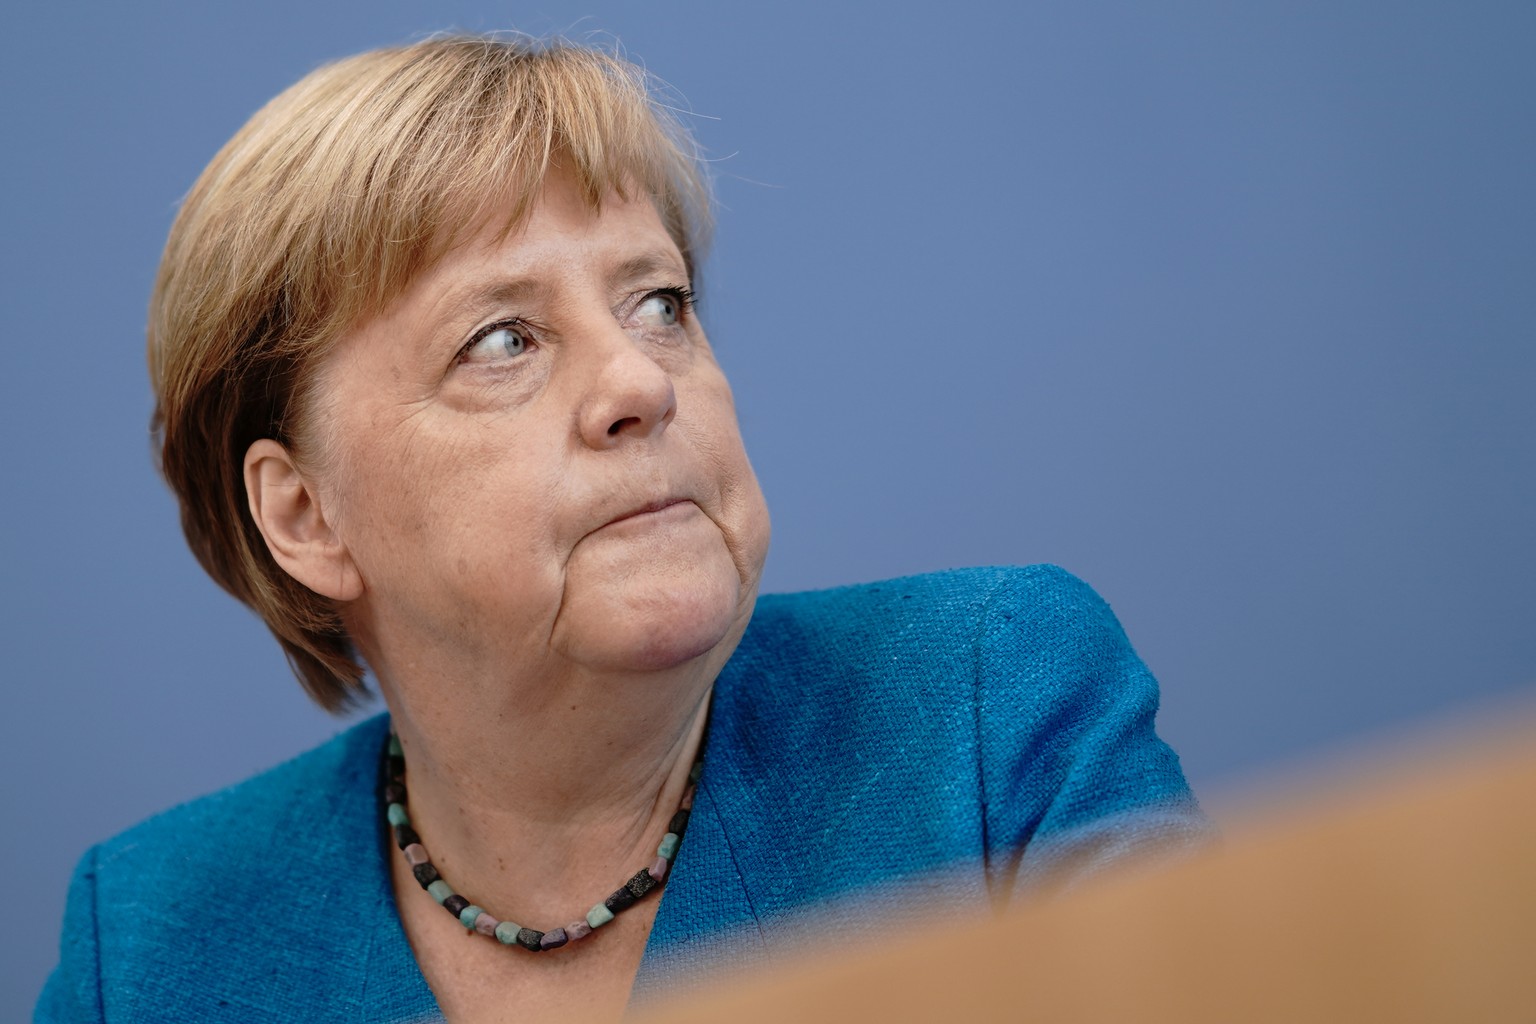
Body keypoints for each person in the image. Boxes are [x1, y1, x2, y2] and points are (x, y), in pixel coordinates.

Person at [37, 34, 1207, 1023]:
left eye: (659, 303)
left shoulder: (987, 714)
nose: (640, 383)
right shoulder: (146, 948)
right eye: (503, 340)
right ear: (305, 514)